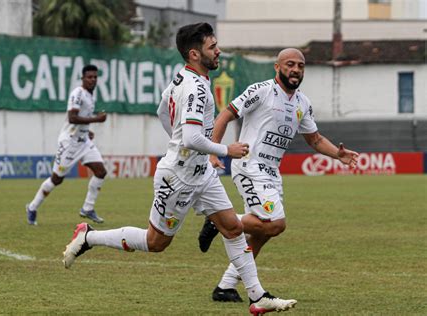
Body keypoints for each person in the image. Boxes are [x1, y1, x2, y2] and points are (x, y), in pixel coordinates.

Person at [62, 23, 297, 314]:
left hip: (201, 173)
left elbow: (163, 111)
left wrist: (180, 142)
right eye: (213, 47)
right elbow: (191, 137)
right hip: (179, 177)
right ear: (195, 53)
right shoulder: (197, 88)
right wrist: (226, 150)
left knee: (233, 227)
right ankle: (88, 237)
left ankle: (256, 296)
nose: (218, 50)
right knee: (156, 242)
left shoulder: (182, 78)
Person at [198, 48, 360, 302]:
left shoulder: (302, 103)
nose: (296, 69)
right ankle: (219, 220)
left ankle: (226, 286)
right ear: (277, 67)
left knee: (263, 232)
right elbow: (226, 114)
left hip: (271, 172)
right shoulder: (260, 91)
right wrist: (214, 150)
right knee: (276, 223)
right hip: (249, 165)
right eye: (290, 64)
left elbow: (315, 139)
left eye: (301, 66)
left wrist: (337, 155)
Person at [25, 65, 108, 225]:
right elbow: (72, 118)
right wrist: (96, 120)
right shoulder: (77, 93)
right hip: (69, 142)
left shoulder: (90, 96)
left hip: (83, 142)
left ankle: (88, 208)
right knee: (56, 179)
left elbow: (82, 119)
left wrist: (87, 130)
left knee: (100, 171)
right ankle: (32, 207)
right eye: (89, 77)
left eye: (95, 77)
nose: (93, 80)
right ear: (83, 78)